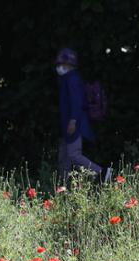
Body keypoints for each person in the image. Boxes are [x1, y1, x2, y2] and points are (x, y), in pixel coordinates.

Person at [56, 48, 112, 184]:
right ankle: (63, 186)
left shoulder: (72, 78)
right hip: (68, 123)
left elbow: (76, 102)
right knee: (64, 157)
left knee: (73, 155)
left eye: (63, 64)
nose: (59, 67)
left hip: (73, 123)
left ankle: (101, 172)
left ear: (70, 64)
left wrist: (73, 121)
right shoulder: (67, 78)